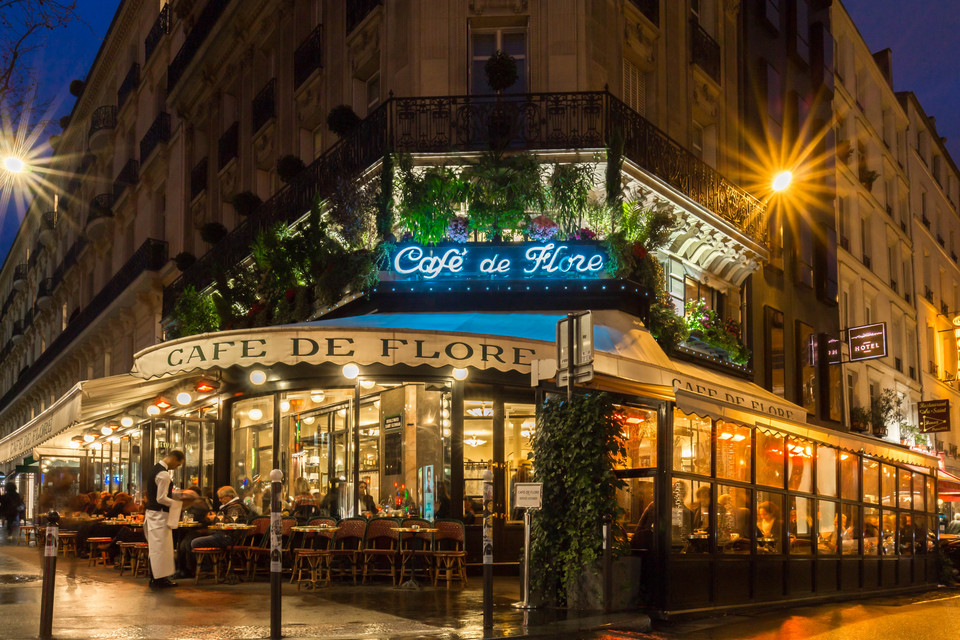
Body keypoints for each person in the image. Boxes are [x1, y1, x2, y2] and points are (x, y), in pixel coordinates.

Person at [144, 450, 193, 589]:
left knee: (156, 548)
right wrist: (177, 503)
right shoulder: (164, 474)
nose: (177, 467)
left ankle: (156, 578)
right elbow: (161, 498)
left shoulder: (155, 469)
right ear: (173, 459)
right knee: (161, 548)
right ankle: (159, 580)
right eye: (178, 463)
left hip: (152, 514)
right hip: (159, 515)